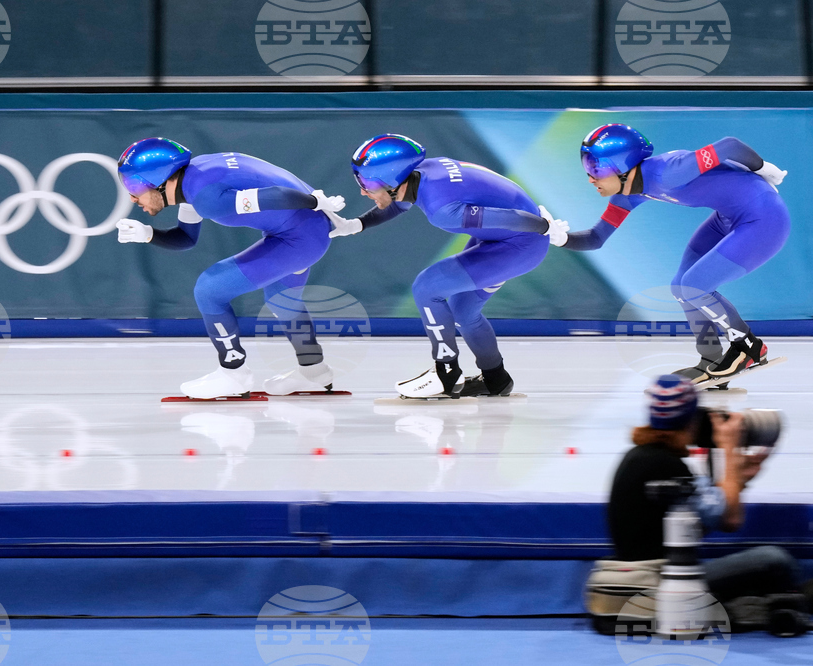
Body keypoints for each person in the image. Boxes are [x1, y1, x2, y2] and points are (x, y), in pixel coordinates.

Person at [327, 134, 569, 398]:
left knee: (426, 287)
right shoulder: (423, 172)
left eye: (368, 182)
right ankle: (496, 379)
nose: (363, 190)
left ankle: (447, 373)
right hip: (504, 239)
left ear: (394, 178)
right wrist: (355, 225)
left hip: (519, 245)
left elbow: (510, 218)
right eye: (360, 180)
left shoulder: (442, 208)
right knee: (463, 310)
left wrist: (545, 226)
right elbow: (399, 204)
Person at [115, 137, 346, 399]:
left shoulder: (206, 198)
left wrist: (317, 202)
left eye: (133, 185)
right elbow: (186, 238)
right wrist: (148, 234)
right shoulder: (193, 179)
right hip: (308, 230)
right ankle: (314, 372)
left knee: (210, 289)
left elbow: (275, 196)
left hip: (301, 236)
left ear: (160, 179)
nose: (132, 197)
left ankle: (233, 373)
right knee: (282, 301)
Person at [566, 124, 790, 384]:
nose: (590, 178)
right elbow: (595, 238)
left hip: (765, 219)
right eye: (587, 166)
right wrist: (552, 235)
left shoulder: (670, 170)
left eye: (596, 167)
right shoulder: (627, 194)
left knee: (695, 285)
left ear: (623, 165)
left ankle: (749, 347)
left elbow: (730, 146)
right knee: (680, 286)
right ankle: (711, 359)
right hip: (728, 218)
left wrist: (762, 168)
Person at [608, 374, 803, 614]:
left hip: (647, 581)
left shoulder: (641, 458)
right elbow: (730, 520)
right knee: (774, 561)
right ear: (691, 420)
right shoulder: (666, 465)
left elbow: (700, 522)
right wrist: (729, 448)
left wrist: (739, 479)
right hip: (663, 586)